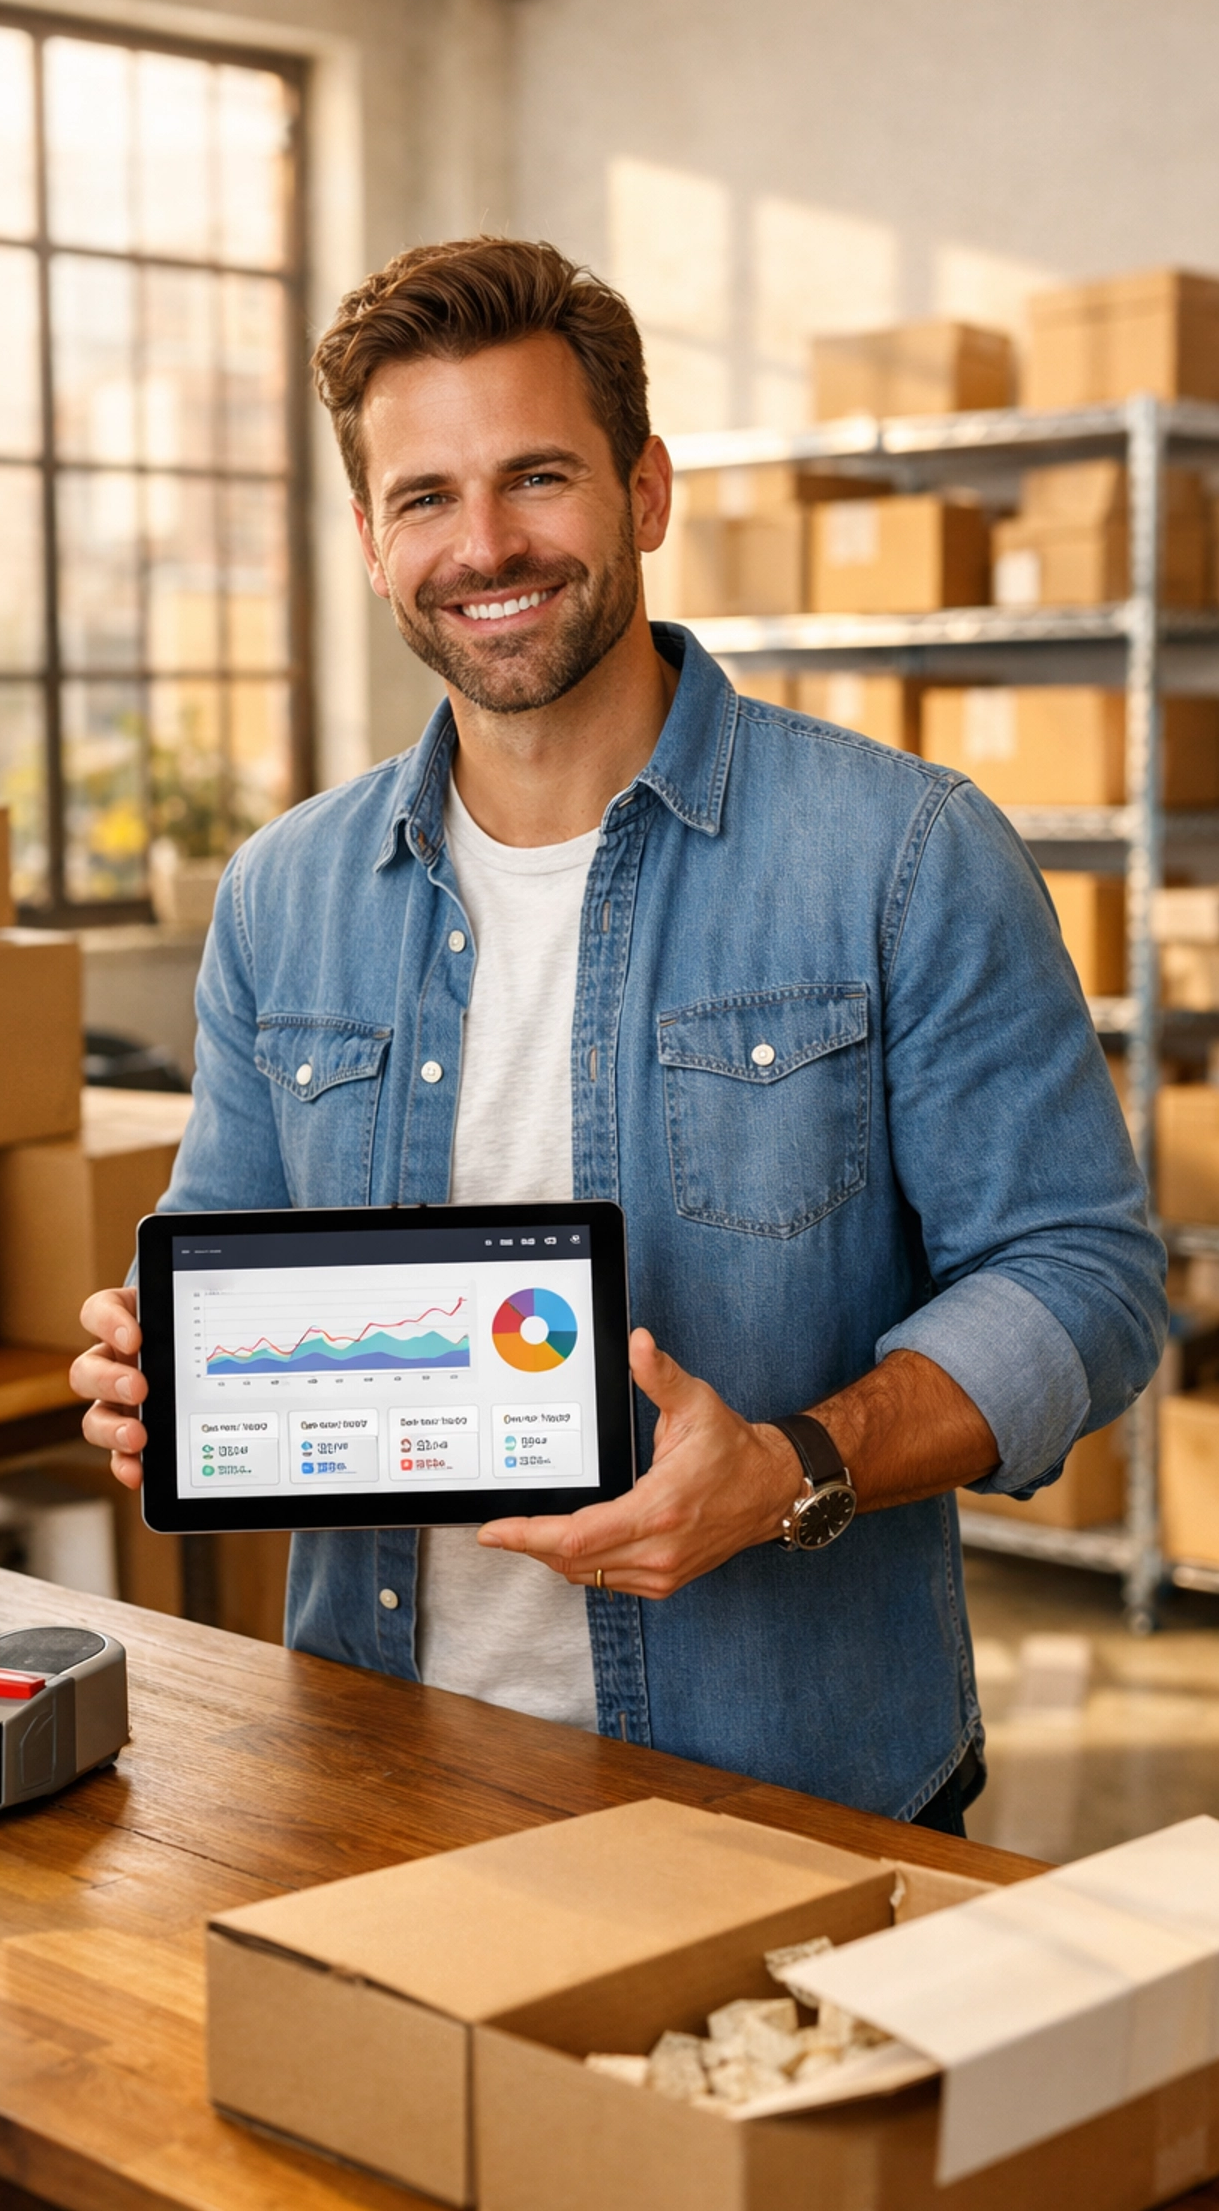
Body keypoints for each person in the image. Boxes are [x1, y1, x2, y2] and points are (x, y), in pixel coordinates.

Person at [70, 237, 1164, 1832]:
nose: (486, 545)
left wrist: (796, 1466)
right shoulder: (282, 894)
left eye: (538, 476)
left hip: (783, 1793)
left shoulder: (904, 854)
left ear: (645, 492)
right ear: (371, 542)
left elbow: (1085, 1278)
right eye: (426, 498)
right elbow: (223, 1245)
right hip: (376, 1774)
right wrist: (156, 1368)